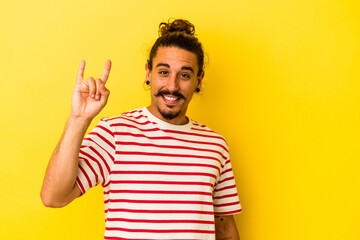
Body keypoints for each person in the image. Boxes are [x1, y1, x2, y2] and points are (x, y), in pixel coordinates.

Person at [41, 19, 242, 240]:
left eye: (184, 75)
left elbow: (224, 227)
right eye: (163, 72)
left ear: (198, 79)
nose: (172, 86)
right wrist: (78, 119)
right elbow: (53, 197)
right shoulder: (114, 133)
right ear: (148, 73)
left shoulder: (215, 145)